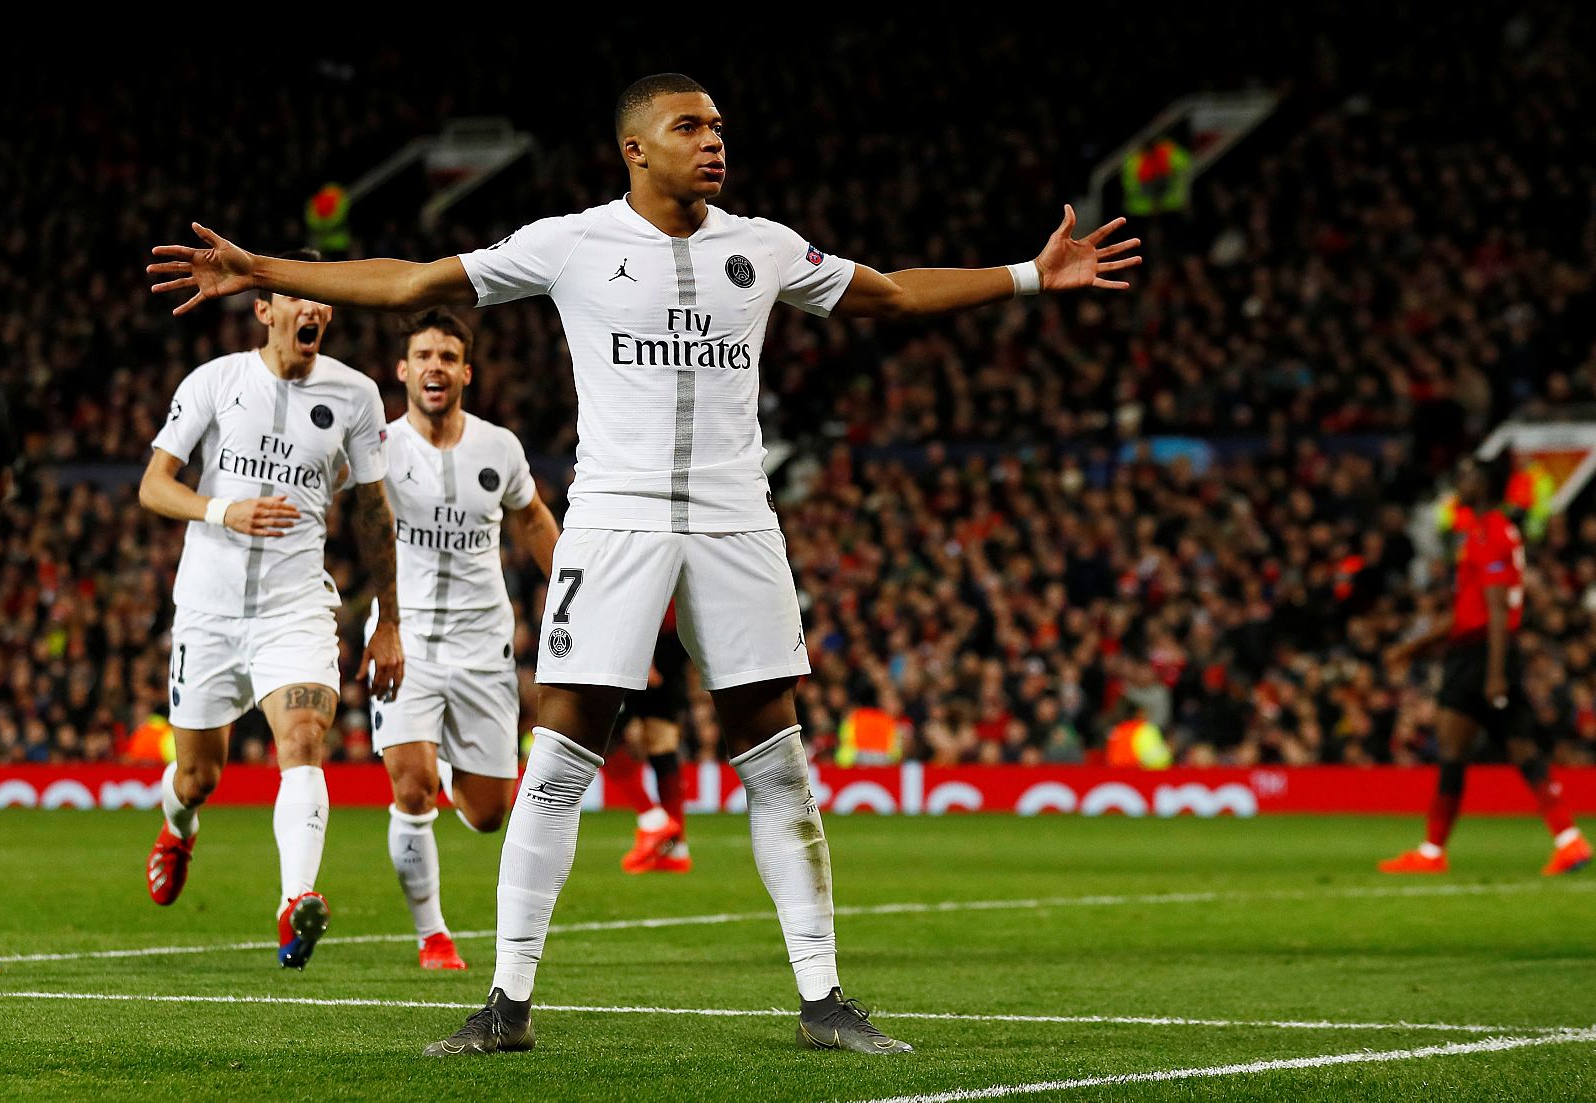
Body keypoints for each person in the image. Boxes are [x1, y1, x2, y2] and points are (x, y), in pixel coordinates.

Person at [147, 72, 1139, 1054]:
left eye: (717, 125)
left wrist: (1027, 273)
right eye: (688, 125)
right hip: (614, 521)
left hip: (736, 519)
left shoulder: (764, 244)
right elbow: (410, 280)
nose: (713, 140)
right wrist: (257, 265)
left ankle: (823, 997)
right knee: (562, 752)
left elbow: (883, 294)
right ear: (636, 147)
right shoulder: (571, 240)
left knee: (776, 754)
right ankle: (506, 1001)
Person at [140, 248, 403, 969]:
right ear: (265, 308)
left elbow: (374, 514)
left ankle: (296, 903)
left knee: (305, 735)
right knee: (199, 775)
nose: (314, 309)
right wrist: (224, 509)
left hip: (295, 607)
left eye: (321, 300)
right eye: (296, 297)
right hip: (207, 606)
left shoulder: (355, 394)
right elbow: (154, 486)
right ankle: (178, 825)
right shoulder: (216, 381)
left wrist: (390, 620)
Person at [373, 308, 560, 969]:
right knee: (412, 785)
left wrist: (575, 596)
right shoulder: (378, 447)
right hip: (407, 638)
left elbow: (533, 520)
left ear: (465, 372)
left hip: (484, 644)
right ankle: (433, 936)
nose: (435, 366)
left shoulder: (499, 447)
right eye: (423, 355)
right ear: (403, 370)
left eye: (447, 357)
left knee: (485, 814)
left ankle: (449, 759)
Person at [1380, 454, 1591, 876]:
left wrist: (1493, 673)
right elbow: (1468, 610)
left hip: (1480, 657)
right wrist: (1415, 648)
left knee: (1454, 751)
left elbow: (1496, 611)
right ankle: (1569, 840)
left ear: (1486, 486)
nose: (1461, 480)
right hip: (1486, 651)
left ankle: (1432, 851)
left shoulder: (1489, 533)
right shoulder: (1484, 531)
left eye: (1469, 475)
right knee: (1520, 748)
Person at [604, 607, 692, 874]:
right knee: (661, 750)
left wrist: (647, 657)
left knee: (606, 740)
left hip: (642, 647)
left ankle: (656, 824)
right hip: (664, 645)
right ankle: (675, 848)